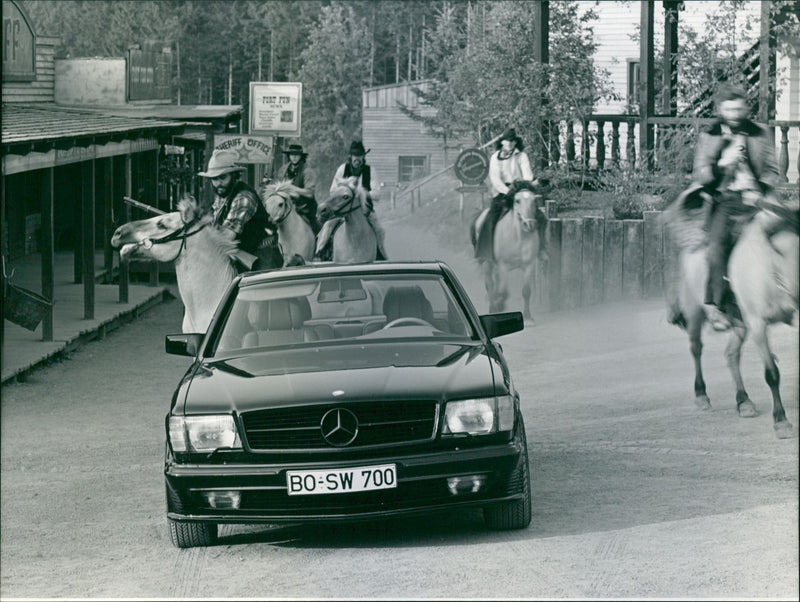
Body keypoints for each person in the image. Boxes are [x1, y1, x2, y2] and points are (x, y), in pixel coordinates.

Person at [691, 84, 782, 331]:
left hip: (756, 199)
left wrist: (760, 191)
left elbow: (773, 171)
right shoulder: (709, 136)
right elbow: (700, 175)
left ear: (745, 108)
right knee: (716, 247)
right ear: (721, 109)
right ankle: (717, 305)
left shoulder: (760, 133)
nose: (734, 114)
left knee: (786, 236)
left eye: (739, 109)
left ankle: (785, 295)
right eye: (729, 110)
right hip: (724, 200)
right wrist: (722, 164)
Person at [198, 149, 279, 271]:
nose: (218, 183)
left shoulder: (244, 197)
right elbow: (214, 226)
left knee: (257, 289)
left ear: (234, 176)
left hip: (261, 256)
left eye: (223, 177)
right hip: (239, 254)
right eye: (214, 179)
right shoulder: (222, 196)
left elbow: (226, 236)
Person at [475, 128, 547, 262]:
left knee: (541, 217)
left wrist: (526, 184)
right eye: (507, 141)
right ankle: (485, 252)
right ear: (502, 142)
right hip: (502, 192)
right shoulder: (495, 158)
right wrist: (507, 191)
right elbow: (495, 179)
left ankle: (541, 249)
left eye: (512, 142)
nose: (510, 144)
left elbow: (527, 174)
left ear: (515, 143)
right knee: (490, 218)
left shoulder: (521, 156)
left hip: (520, 190)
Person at [321, 140, 387, 259]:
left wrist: (361, 194)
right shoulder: (342, 169)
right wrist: (345, 194)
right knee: (327, 226)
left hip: (365, 211)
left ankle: (381, 254)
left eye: (360, 156)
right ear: (350, 157)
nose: (358, 159)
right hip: (343, 208)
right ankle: (321, 252)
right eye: (355, 156)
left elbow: (377, 194)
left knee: (380, 230)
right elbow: (333, 190)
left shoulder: (370, 171)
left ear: (363, 157)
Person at [277, 143, 320, 233]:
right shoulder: (283, 170)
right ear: (289, 156)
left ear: (301, 156)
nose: (294, 157)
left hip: (305, 207)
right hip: (286, 205)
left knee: (315, 227)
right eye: (292, 155)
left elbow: (310, 193)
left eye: (297, 155)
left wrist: (292, 188)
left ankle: (319, 244)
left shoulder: (307, 171)